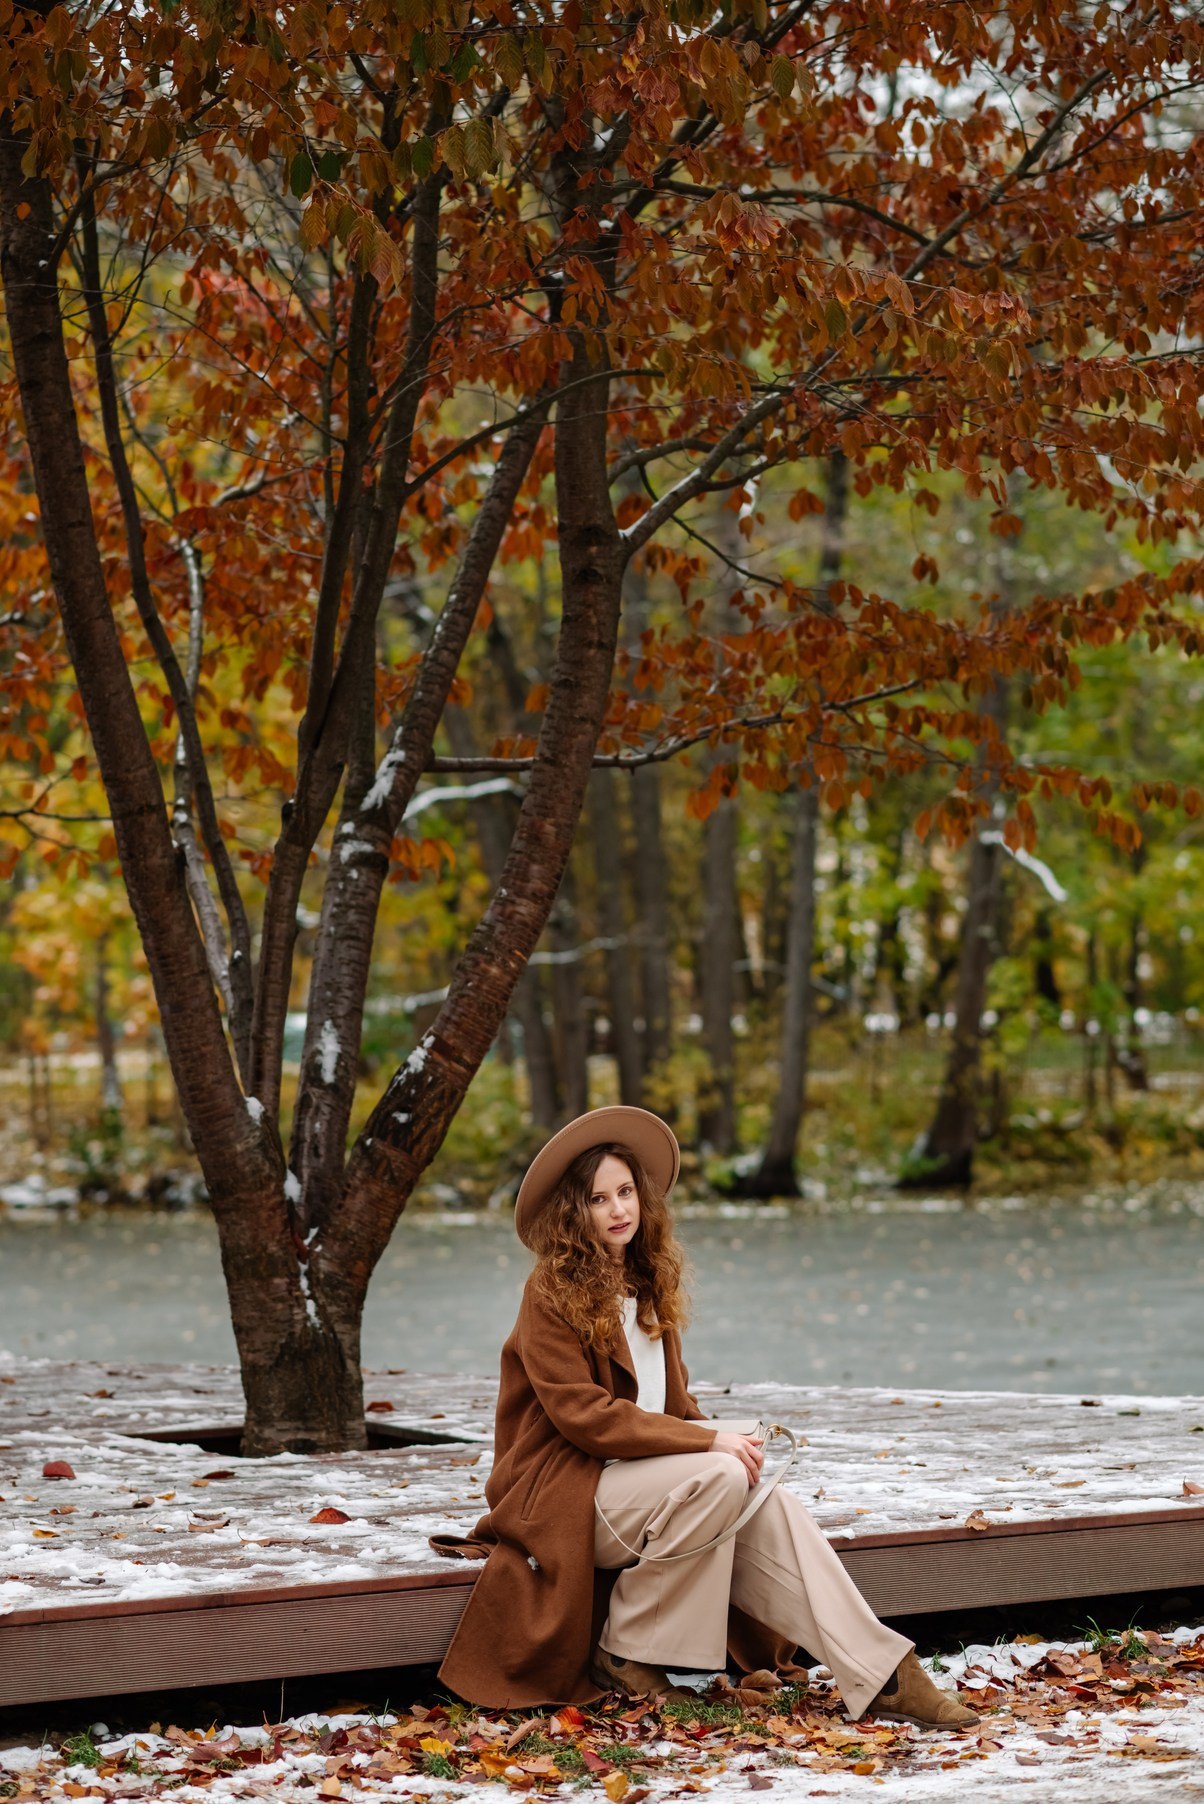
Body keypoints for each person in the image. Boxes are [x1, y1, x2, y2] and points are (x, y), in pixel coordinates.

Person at [434, 1105, 976, 1730]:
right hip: (564, 1492)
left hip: (643, 1490)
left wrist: (724, 1439)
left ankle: (882, 1672)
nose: (618, 1210)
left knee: (765, 1499)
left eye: (626, 1192)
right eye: (597, 1198)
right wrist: (709, 1441)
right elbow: (586, 1418)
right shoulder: (549, 1293)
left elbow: (675, 1408)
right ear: (571, 1212)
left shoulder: (646, 1285)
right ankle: (629, 1649)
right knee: (718, 1474)